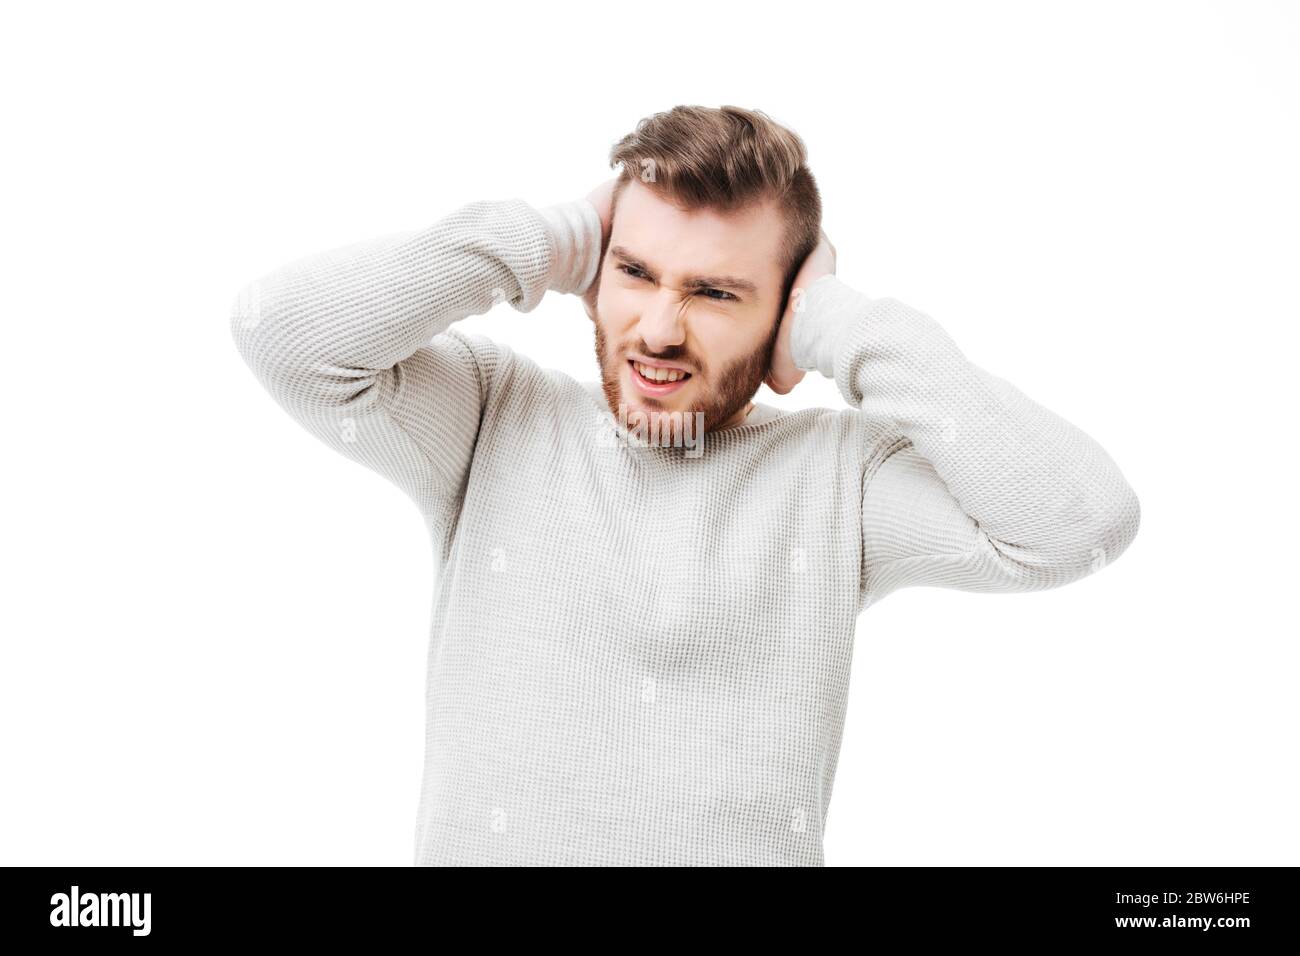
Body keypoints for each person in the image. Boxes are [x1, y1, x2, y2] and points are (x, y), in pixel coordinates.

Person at [230, 104, 1141, 866]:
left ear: (783, 311)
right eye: (633, 272)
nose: (658, 330)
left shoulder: (836, 480)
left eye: (715, 294)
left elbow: (1079, 522)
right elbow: (279, 331)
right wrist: (542, 240)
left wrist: (841, 325)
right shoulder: (487, 417)